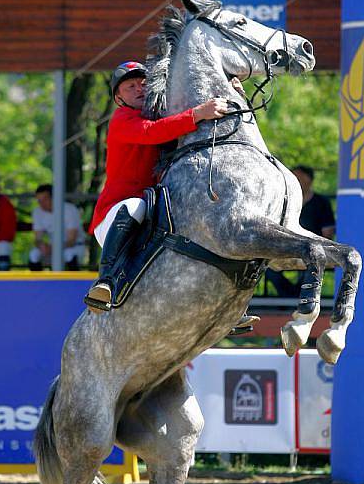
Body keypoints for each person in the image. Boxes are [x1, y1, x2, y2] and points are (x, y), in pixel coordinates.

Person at [85, 60, 230, 313]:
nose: (140, 88)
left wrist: (228, 88)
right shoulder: (121, 119)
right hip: (113, 220)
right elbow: (153, 132)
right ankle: (106, 279)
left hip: (153, 216)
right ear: (119, 98)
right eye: (130, 86)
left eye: (143, 83)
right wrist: (197, 114)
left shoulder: (163, 115)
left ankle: (226, 307)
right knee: (134, 205)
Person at [265, 164, 336, 297]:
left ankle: (296, 300)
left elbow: (328, 231)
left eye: (299, 177)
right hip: (286, 248)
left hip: (312, 249)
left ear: (309, 180)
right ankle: (291, 298)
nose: (295, 181)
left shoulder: (321, 203)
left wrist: (322, 250)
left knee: (311, 269)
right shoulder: (283, 201)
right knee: (268, 268)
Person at [28, 184, 85, 270]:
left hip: (74, 247)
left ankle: (73, 282)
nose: (41, 203)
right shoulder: (37, 211)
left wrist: (53, 248)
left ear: (54, 197)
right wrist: (42, 245)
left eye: (45, 199)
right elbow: (37, 238)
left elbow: (72, 241)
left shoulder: (69, 209)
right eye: (39, 200)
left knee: (68, 254)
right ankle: (37, 283)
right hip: (52, 248)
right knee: (34, 254)